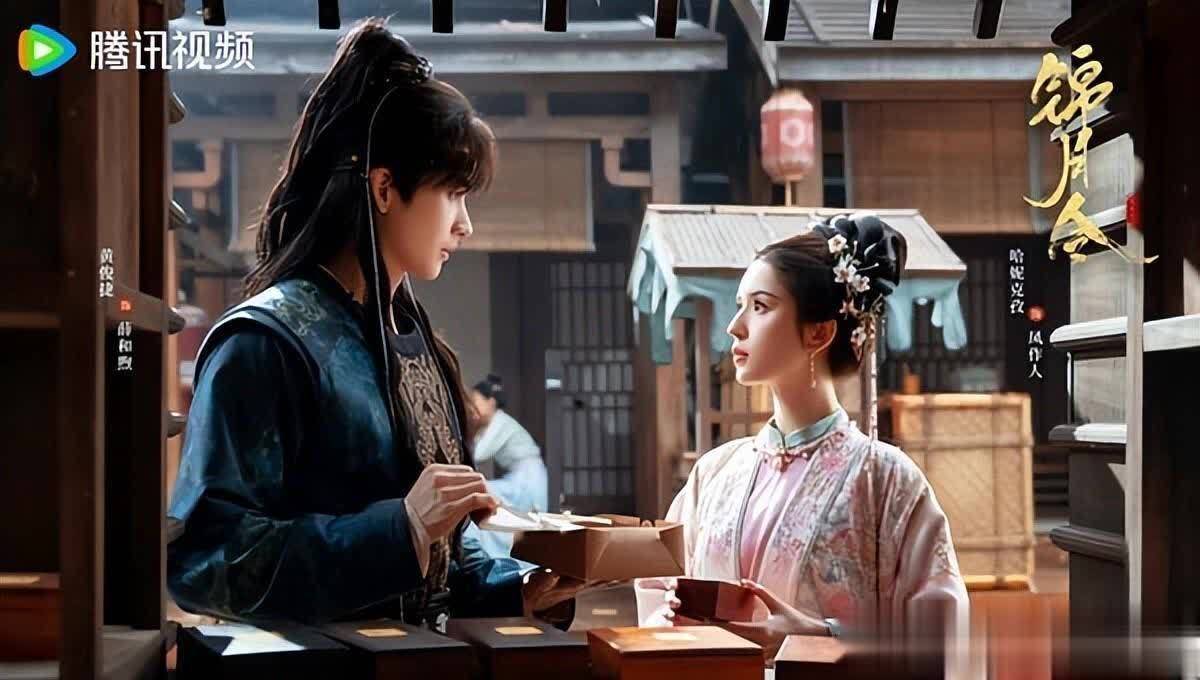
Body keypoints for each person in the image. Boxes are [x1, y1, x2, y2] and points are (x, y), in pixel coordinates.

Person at [167, 19, 582, 629]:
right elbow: (208, 561)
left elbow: (444, 549)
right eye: (453, 194)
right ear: (385, 188)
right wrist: (401, 527)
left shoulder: (416, 342)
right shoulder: (265, 342)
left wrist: (516, 590)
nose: (465, 224)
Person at [637, 214, 967, 656]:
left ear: (819, 331)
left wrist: (818, 632)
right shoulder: (715, 473)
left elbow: (939, 632)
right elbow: (660, 586)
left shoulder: (887, 481)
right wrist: (668, 622)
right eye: (739, 305)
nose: (735, 326)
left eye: (760, 306)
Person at [468, 374, 549, 557]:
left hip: (528, 478)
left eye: (475, 402)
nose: (472, 407)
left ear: (490, 402)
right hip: (521, 476)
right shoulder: (491, 425)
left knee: (484, 494)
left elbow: (478, 454)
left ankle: (493, 552)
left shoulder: (499, 422)